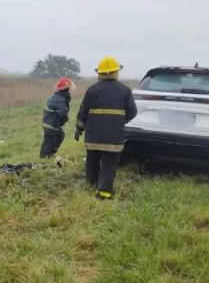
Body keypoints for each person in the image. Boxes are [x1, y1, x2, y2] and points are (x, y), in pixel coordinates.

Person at [74, 57, 137, 200]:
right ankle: (104, 192)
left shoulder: (92, 90)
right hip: (113, 137)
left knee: (92, 160)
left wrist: (79, 129)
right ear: (116, 72)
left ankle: (91, 184)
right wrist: (120, 121)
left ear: (100, 73)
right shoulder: (125, 91)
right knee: (110, 163)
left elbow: (82, 112)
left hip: (93, 136)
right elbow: (132, 112)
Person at [39, 77, 75, 158]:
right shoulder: (60, 100)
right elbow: (63, 113)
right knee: (49, 141)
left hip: (50, 122)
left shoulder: (58, 96)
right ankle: (44, 157)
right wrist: (65, 119)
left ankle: (51, 154)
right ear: (67, 89)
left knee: (60, 135)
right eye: (69, 88)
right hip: (51, 124)